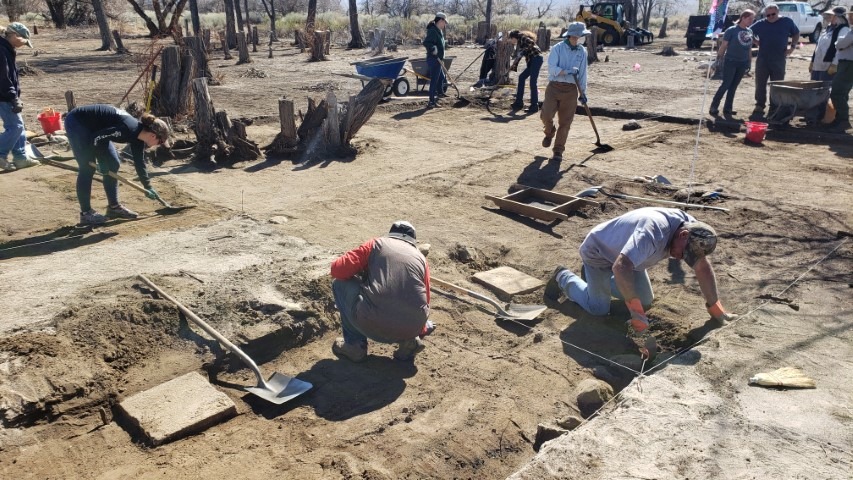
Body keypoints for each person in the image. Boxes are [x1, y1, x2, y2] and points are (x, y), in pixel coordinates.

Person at [544, 207, 737, 341]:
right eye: (683, 253)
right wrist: (636, 314)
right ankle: (564, 277)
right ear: (682, 235)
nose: (681, 258)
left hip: (630, 258)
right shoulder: (652, 234)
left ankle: (597, 282)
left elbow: (702, 267)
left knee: (645, 299)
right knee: (598, 309)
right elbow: (621, 267)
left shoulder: (695, 231)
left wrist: (715, 308)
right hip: (599, 252)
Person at [330, 221, 434, 363]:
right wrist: (420, 330)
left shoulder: (376, 244)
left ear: (390, 235)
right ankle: (409, 342)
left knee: (340, 284)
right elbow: (425, 300)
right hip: (411, 328)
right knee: (408, 298)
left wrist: (361, 272)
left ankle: (354, 345)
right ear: (412, 242)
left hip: (373, 322)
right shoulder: (421, 259)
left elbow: (337, 270)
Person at [64, 104, 171, 225]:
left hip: (98, 129)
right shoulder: (127, 129)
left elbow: (139, 163)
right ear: (153, 135)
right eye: (160, 142)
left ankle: (113, 208)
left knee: (113, 164)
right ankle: (86, 214)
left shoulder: (139, 137)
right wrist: (103, 162)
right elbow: (97, 138)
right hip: (78, 122)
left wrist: (147, 186)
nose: (158, 145)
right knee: (87, 167)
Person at [541, 22, 589, 162]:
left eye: (580, 36)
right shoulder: (557, 48)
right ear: (571, 35)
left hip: (571, 90)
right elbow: (552, 69)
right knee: (546, 114)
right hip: (554, 87)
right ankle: (549, 132)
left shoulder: (582, 52)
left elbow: (583, 74)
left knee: (566, 122)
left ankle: (558, 151)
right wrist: (566, 71)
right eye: (577, 36)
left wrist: (583, 93)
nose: (578, 39)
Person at [749, 3, 800, 119]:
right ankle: (760, 105)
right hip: (763, 58)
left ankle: (775, 105)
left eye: (773, 14)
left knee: (777, 83)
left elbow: (796, 33)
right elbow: (748, 32)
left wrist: (792, 47)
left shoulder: (787, 22)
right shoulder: (761, 24)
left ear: (778, 12)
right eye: (768, 15)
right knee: (760, 82)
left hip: (779, 58)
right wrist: (756, 42)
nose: (771, 17)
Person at [0, 22, 39, 172]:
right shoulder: (1, 50)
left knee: (19, 126)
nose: (23, 45)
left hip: (7, 94)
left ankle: (21, 158)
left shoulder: (7, 48)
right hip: (3, 95)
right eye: (24, 41)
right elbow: (3, 77)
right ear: (16, 36)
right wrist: (13, 97)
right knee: (15, 127)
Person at [709, 10, 756, 118]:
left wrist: (749, 62)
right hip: (731, 61)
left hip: (742, 62)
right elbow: (724, 46)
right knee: (726, 84)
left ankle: (728, 108)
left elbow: (749, 48)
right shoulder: (731, 30)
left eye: (752, 19)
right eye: (750, 18)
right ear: (743, 17)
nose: (751, 20)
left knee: (734, 86)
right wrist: (718, 59)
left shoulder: (750, 31)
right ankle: (714, 106)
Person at [827, 8, 853, 132]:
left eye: (851, 15)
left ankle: (843, 120)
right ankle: (839, 119)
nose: (849, 17)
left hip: (849, 64)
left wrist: (840, 44)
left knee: (837, 92)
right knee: (842, 93)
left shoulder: (851, 32)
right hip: (847, 64)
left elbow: (840, 44)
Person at [508, 30, 543, 113]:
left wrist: (523, 51)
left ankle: (534, 106)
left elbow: (531, 43)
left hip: (536, 59)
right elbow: (519, 56)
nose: (511, 41)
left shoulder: (522, 37)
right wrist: (514, 65)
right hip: (532, 61)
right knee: (521, 77)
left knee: (532, 82)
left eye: (511, 38)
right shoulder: (520, 42)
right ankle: (519, 102)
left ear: (514, 37)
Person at [810, 8, 848, 82]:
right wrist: (812, 61)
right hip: (818, 65)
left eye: (831, 15)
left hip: (829, 66)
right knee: (814, 89)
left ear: (838, 17)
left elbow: (841, 49)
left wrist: (835, 64)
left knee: (824, 90)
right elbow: (818, 46)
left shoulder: (843, 30)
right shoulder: (827, 29)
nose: (829, 17)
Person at [422, 12, 448, 109]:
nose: (445, 25)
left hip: (439, 59)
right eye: (444, 22)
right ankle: (431, 101)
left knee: (441, 77)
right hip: (434, 59)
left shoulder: (439, 31)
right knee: (434, 80)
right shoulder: (433, 30)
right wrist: (433, 48)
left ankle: (440, 94)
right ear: (441, 20)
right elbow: (426, 42)